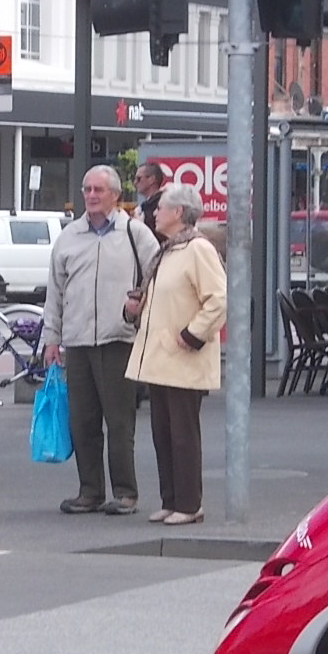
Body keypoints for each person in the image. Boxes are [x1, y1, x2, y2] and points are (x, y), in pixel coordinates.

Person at [41, 165, 159, 516]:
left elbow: (157, 277)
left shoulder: (135, 234)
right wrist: (52, 339)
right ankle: (89, 491)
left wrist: (139, 311)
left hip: (118, 339)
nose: (91, 195)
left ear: (115, 195)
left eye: (98, 190)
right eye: (87, 189)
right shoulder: (69, 237)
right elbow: (55, 293)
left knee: (120, 421)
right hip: (77, 342)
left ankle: (125, 493)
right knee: (82, 421)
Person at [123, 183, 226, 526]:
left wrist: (192, 334)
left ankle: (189, 503)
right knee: (163, 434)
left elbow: (218, 299)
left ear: (179, 213)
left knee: (183, 436)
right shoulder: (168, 250)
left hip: (183, 358)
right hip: (160, 360)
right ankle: (171, 500)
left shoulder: (198, 249)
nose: (154, 213)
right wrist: (136, 307)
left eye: (161, 208)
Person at [134, 161, 169, 235]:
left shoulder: (163, 204)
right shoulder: (145, 206)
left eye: (139, 178)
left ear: (152, 179)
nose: (135, 182)